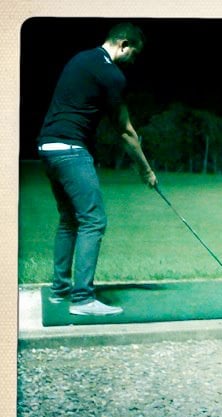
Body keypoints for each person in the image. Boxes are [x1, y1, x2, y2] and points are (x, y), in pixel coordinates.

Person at [37, 22, 157, 316]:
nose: (133, 61)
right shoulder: (110, 73)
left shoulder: (81, 58)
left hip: (47, 147)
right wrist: (146, 171)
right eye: (134, 54)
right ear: (124, 44)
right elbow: (126, 131)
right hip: (70, 151)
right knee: (93, 220)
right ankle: (83, 299)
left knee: (69, 221)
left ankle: (60, 292)